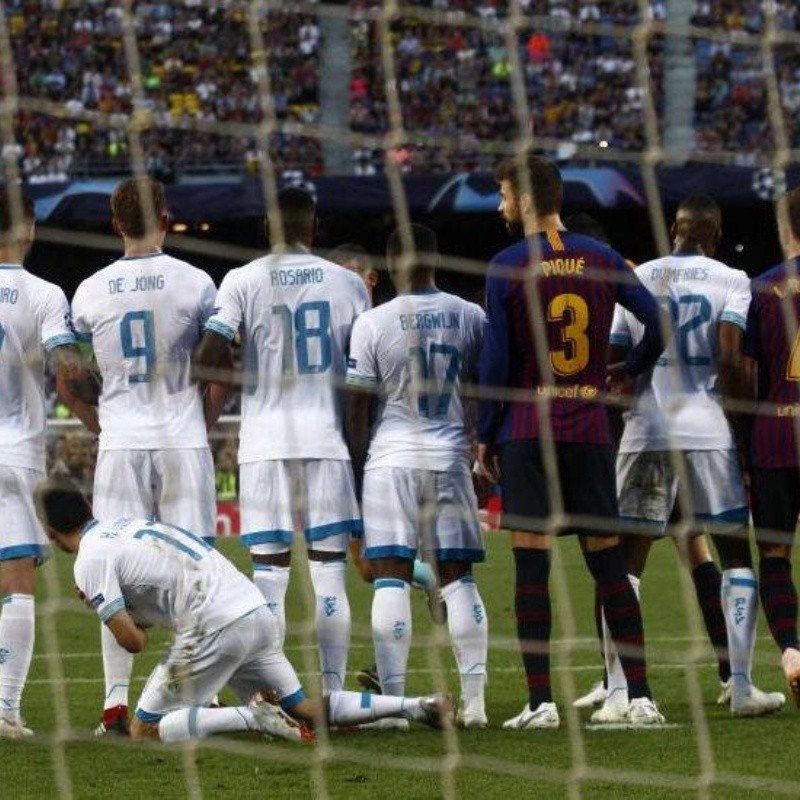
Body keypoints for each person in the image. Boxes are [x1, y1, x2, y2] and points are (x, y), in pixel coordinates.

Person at [33, 477, 450, 742]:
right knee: (304, 707)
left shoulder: (89, 559)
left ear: (51, 533)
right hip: (252, 608)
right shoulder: (123, 525)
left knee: (145, 729)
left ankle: (253, 717)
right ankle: (416, 705)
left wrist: (103, 611)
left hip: (212, 624)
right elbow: (151, 602)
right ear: (88, 505)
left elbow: (133, 642)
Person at [477, 153, 666, 729]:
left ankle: (540, 704)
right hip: (588, 430)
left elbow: (499, 362)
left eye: (506, 195)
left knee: (532, 569)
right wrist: (629, 367)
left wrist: (485, 435)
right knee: (608, 568)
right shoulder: (604, 257)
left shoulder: (507, 265)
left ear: (528, 199)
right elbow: (658, 322)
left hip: (529, 430)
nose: (503, 206)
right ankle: (640, 696)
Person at [593, 193, 784, 720]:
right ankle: (742, 687)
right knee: (735, 553)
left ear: (672, 229)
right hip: (706, 426)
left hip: (647, 428)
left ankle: (620, 693)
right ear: (716, 235)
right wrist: (741, 432)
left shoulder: (640, 276)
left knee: (625, 563)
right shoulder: (732, 279)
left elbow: (613, 363)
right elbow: (730, 360)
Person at [193, 187, 369, 697]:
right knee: (329, 571)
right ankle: (334, 695)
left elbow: (209, 352)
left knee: (269, 575)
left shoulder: (242, 280)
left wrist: (244, 356)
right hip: (327, 438)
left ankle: (274, 692)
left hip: (265, 440)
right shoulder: (349, 283)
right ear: (312, 227)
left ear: (269, 227)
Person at [66, 177, 222, 736]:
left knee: (111, 572)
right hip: (181, 440)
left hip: (121, 443)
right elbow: (219, 361)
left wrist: (98, 422)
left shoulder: (89, 290)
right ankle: (195, 702)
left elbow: (71, 373)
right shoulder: (197, 282)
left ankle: (114, 708)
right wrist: (203, 423)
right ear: (167, 217)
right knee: (198, 572)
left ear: (116, 224)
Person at [345, 224, 489, 728]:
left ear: (386, 266)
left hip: (390, 460)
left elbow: (358, 409)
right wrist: (483, 454)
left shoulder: (372, 321)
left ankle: (394, 709)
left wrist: (357, 474)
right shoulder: (471, 316)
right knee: (459, 579)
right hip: (450, 457)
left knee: (391, 578)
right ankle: (475, 704)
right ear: (436, 257)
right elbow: (486, 391)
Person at [329, 240, 446, 696]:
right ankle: (426, 582)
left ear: (371, 278)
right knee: (369, 566)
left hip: (382, 460)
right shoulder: (354, 322)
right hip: (374, 455)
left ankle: (388, 679)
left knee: (377, 563)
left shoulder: (378, 323)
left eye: (348, 275)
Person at [0, 191, 94, 737]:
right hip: (14, 452)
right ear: (29, 226)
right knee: (16, 587)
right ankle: (6, 708)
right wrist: (96, 402)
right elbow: (68, 370)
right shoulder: (43, 294)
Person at [744, 186, 800, 705]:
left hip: (777, 436)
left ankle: (791, 653)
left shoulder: (763, 288)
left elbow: (745, 370)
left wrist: (743, 445)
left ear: (786, 229)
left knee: (776, 556)